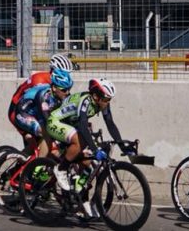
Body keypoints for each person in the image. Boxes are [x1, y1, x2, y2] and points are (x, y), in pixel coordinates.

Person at [46, 78, 132, 219]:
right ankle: (60, 169)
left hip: (71, 126)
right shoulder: (85, 101)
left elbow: (110, 123)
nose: (107, 102)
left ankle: (82, 199)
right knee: (80, 142)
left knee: (88, 164)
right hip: (55, 121)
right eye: (106, 99)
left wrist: (122, 145)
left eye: (110, 99)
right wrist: (95, 149)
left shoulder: (102, 103)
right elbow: (83, 125)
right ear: (96, 96)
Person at [8, 53, 74, 154]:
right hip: (18, 110)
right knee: (34, 144)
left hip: (35, 111)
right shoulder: (39, 81)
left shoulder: (59, 84)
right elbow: (32, 102)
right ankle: (19, 167)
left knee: (45, 143)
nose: (67, 76)